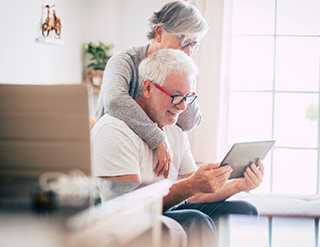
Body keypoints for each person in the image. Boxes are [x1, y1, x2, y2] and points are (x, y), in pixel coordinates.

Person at [91, 49, 264, 247]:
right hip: (125, 223)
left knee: (244, 210)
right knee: (195, 221)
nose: (182, 107)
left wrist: (240, 185)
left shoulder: (174, 130)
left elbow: (194, 196)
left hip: (165, 209)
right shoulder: (115, 129)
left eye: (188, 97)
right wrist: (191, 185)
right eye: (176, 96)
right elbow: (127, 208)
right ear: (148, 88)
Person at [95, 0, 208, 178]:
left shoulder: (182, 68)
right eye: (184, 40)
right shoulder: (124, 61)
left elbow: (188, 122)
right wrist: (158, 138)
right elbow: (115, 101)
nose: (188, 51)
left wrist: (184, 83)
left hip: (151, 164)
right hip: (117, 153)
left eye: (193, 44)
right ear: (159, 32)